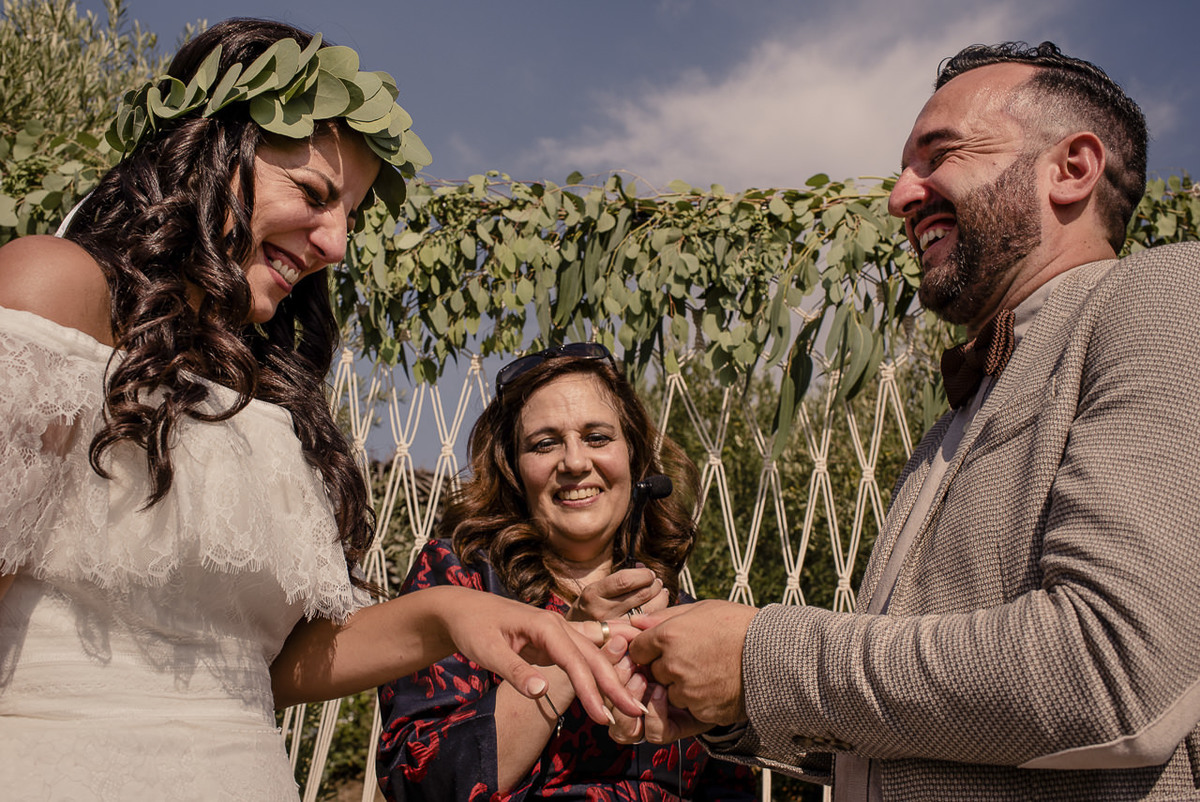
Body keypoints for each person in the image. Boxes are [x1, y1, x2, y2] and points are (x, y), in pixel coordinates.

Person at [0, 19, 638, 800]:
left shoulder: (265, 391)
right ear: (210, 151)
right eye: (314, 194)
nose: (335, 244)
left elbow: (259, 665)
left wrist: (446, 616)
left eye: (350, 216)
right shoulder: (55, 288)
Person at [614, 42, 1200, 800]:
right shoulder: (946, 430)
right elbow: (914, 734)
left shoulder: (1163, 294)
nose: (899, 196)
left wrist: (761, 657)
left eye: (940, 154)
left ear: (1073, 168)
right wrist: (726, 702)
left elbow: (1115, 673)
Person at [376, 343, 756, 800]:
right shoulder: (461, 582)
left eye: (597, 438)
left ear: (634, 459)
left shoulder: (683, 619)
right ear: (514, 470)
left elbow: (730, 788)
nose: (575, 463)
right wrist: (570, 641)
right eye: (545, 443)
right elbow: (419, 786)